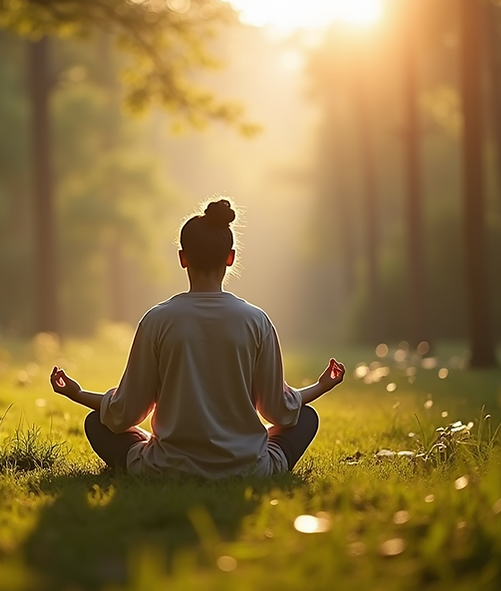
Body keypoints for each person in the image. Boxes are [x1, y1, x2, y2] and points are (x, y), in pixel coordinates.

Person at [49, 199, 345, 478]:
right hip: (248, 468)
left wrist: (77, 393)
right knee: (306, 417)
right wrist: (321, 386)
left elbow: (124, 412)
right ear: (230, 258)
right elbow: (280, 410)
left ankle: (165, 458)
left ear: (182, 258)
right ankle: (245, 459)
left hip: (165, 468)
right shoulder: (257, 321)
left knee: (96, 423)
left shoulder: (157, 320)